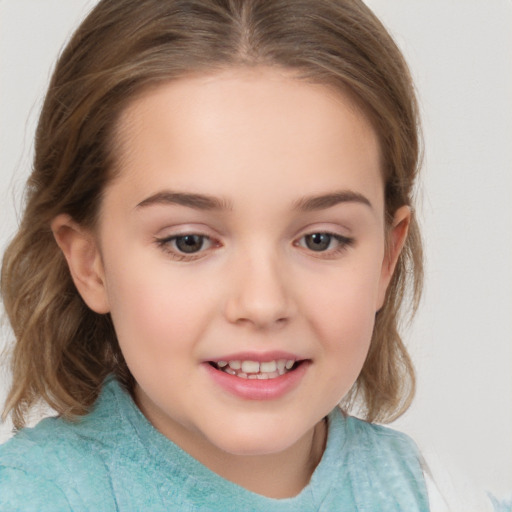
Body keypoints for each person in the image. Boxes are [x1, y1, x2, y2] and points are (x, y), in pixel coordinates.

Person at [0, 0, 508, 510]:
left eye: (320, 239)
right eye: (189, 241)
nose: (263, 304)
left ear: (385, 258)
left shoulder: (440, 499)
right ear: (90, 263)